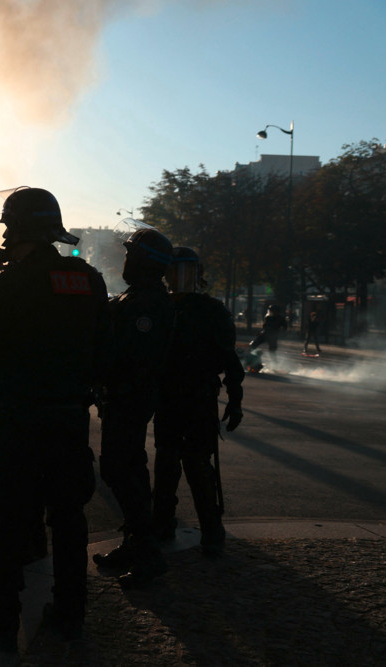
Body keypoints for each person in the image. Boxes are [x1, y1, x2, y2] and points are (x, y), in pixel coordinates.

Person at [0, 187, 108, 649]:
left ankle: (2, 617)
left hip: (22, 419)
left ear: (19, 229)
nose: (5, 238)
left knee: (8, 517)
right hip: (70, 418)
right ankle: (71, 611)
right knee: (68, 518)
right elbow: (102, 344)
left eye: (8, 228)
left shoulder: (12, 282)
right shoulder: (89, 279)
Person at [92, 223, 174, 588]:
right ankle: (135, 543)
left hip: (130, 398)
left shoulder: (149, 304)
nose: (125, 260)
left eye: (130, 254)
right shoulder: (136, 297)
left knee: (119, 469)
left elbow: (135, 357)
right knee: (130, 468)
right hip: (123, 397)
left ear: (143, 261)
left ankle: (148, 552)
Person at [152, 247, 244, 557]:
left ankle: (211, 529)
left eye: (185, 270)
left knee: (196, 466)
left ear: (196, 273)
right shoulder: (160, 307)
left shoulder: (208, 310)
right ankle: (164, 524)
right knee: (167, 463)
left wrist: (235, 398)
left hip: (198, 397)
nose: (179, 277)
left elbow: (229, 359)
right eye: (174, 270)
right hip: (169, 397)